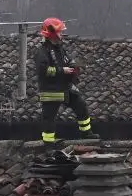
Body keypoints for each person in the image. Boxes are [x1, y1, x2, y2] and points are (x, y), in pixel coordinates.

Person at [36, 17, 93, 145]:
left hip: (65, 87)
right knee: (49, 118)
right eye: (60, 32)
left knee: (81, 105)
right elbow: (44, 70)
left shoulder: (60, 49)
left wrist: (73, 67)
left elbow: (67, 61)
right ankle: (49, 144)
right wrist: (63, 71)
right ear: (52, 33)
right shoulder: (42, 52)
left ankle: (86, 134)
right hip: (51, 91)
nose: (61, 34)